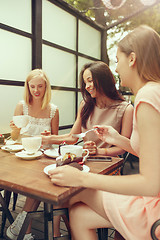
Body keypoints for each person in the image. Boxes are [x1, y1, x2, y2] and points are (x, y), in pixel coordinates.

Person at [48, 25, 160, 240]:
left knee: (71, 194)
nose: (116, 69)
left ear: (132, 59)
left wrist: (82, 179)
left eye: (117, 60)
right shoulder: (154, 91)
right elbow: (152, 153)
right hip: (152, 198)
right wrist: (117, 139)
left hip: (154, 208)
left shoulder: (146, 96)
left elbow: (150, 183)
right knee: (79, 215)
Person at [7, 69, 59, 240]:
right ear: (27, 87)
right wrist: (14, 129)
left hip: (43, 158)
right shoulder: (21, 106)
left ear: (46, 87)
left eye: (40, 86)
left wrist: (48, 138)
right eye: (32, 87)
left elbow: (55, 140)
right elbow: (15, 138)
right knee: (38, 186)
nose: (36, 90)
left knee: (39, 184)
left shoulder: (53, 110)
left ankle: (21, 229)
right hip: (23, 157)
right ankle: (24, 230)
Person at [42, 61, 133, 157]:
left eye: (90, 81)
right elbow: (73, 137)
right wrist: (47, 139)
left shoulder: (126, 109)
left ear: (103, 79)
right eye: (85, 83)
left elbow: (123, 148)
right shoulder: (85, 105)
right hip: (86, 160)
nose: (86, 87)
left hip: (109, 163)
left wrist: (98, 151)